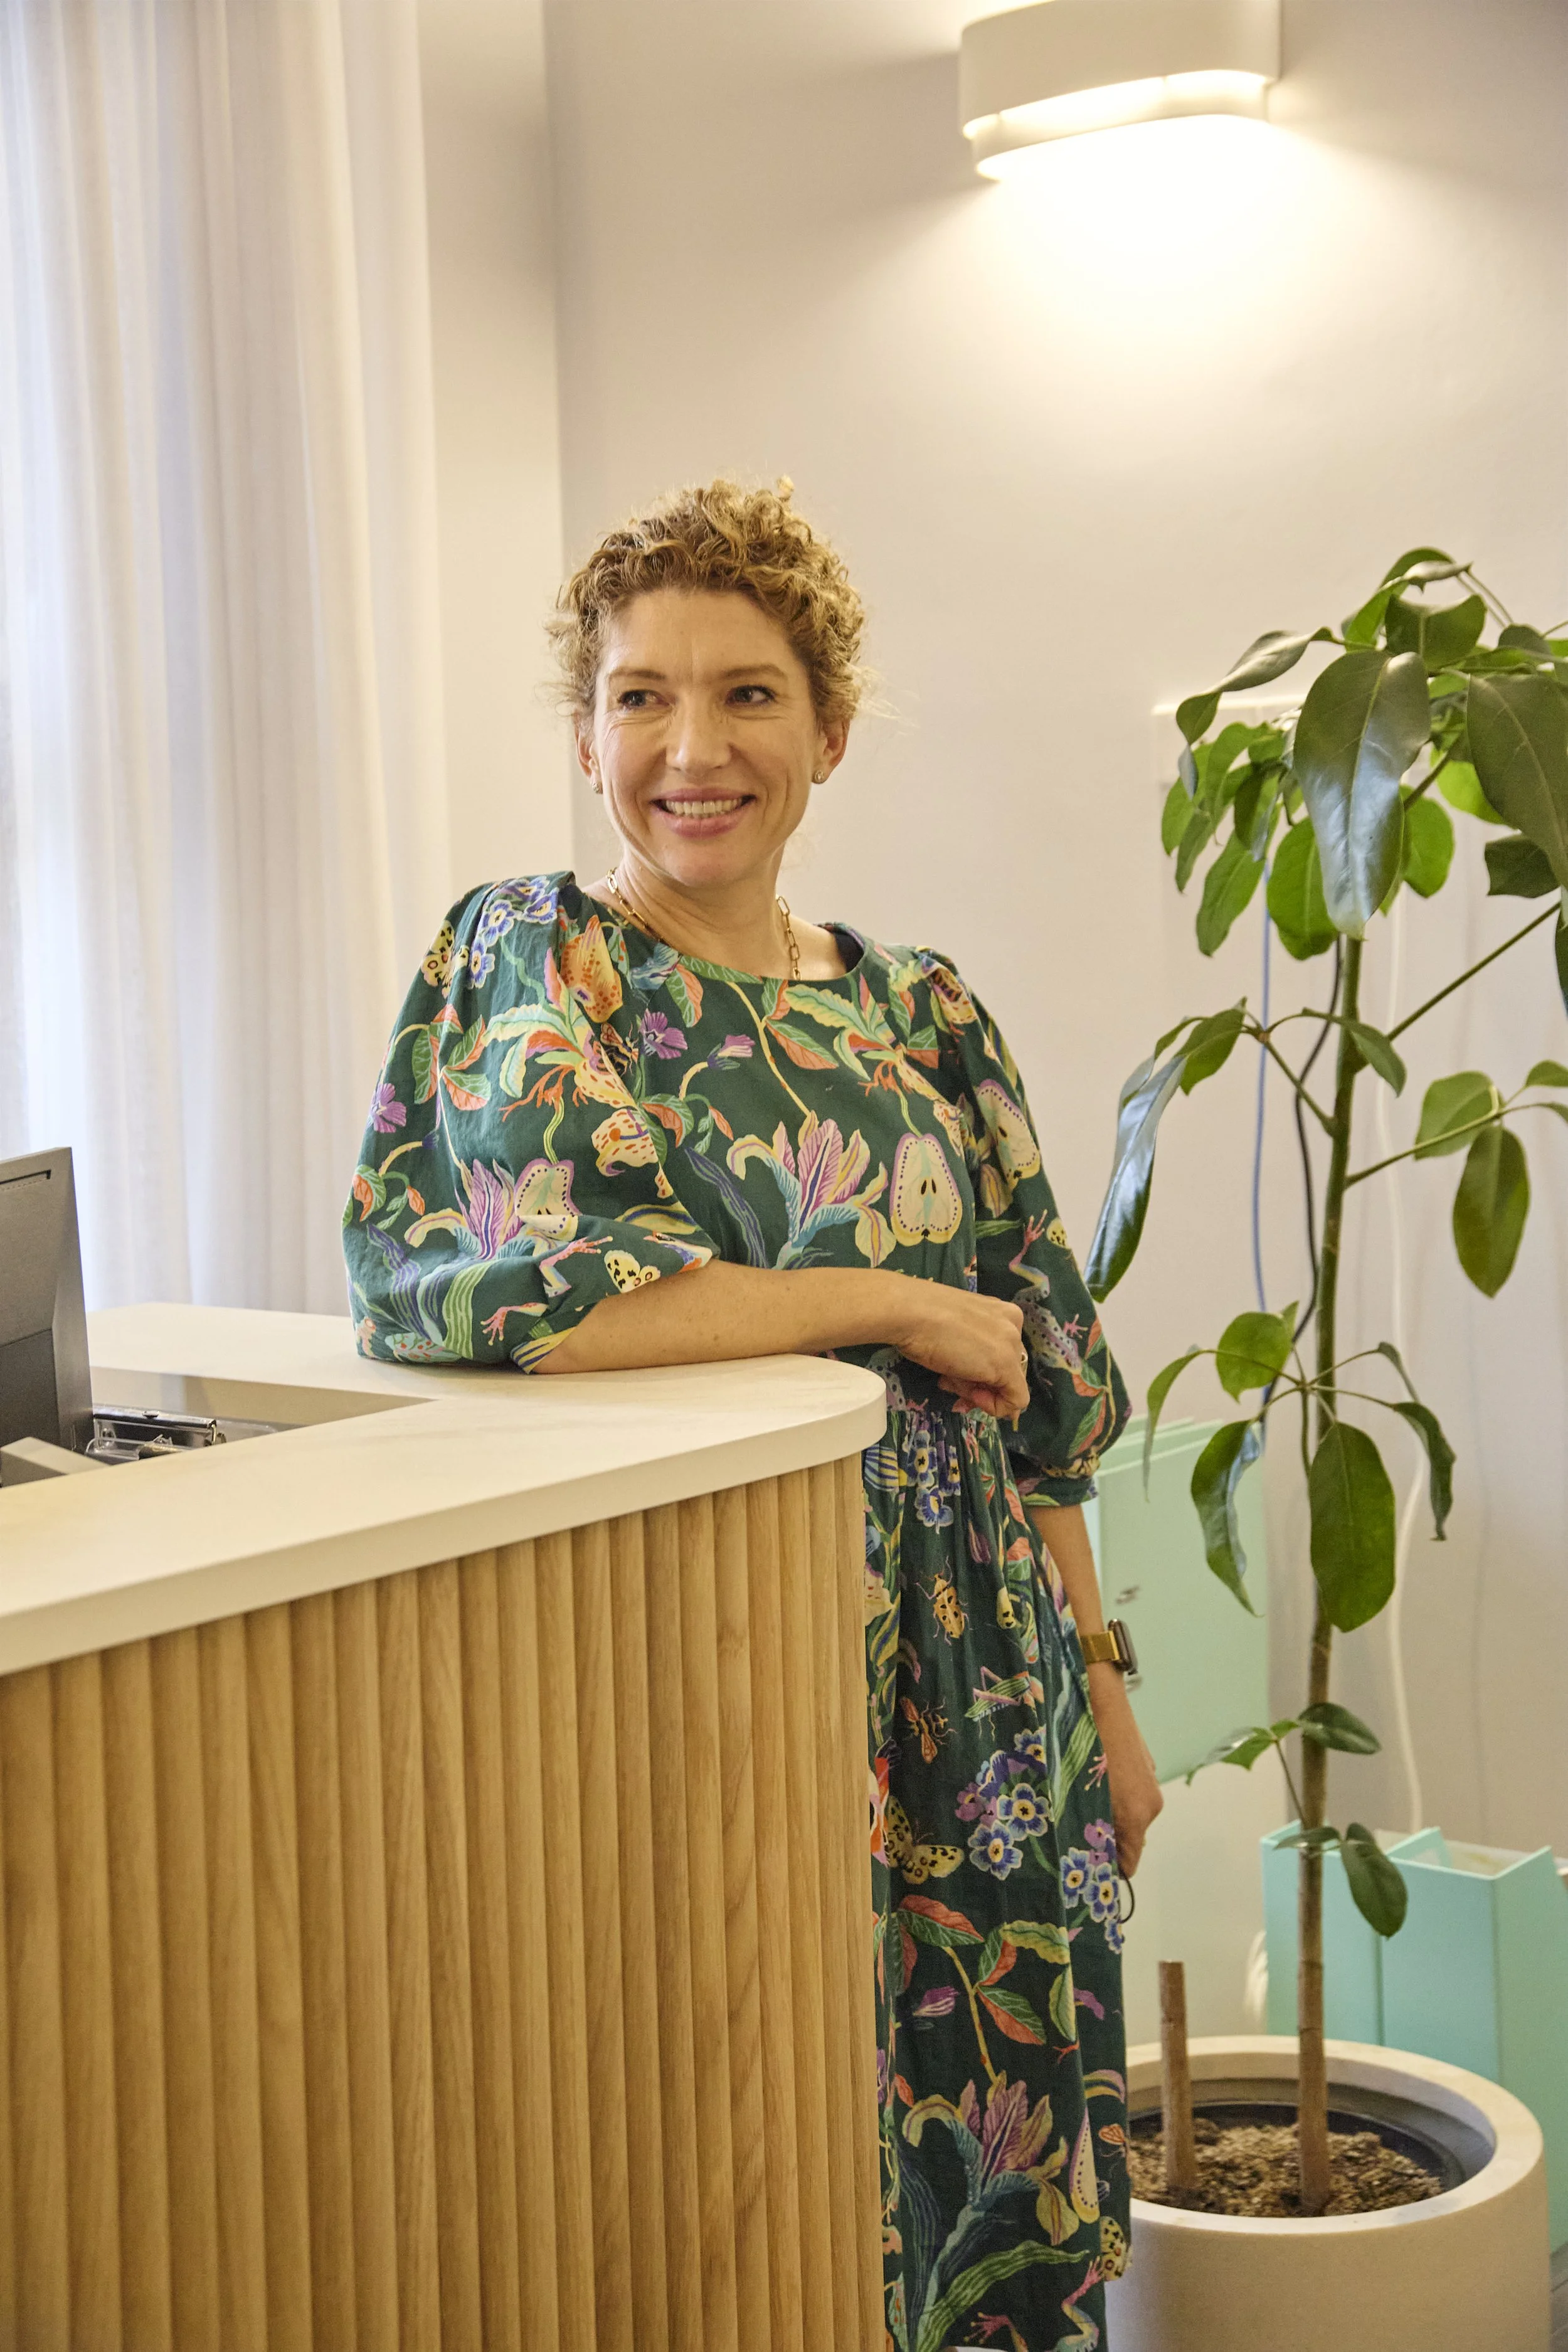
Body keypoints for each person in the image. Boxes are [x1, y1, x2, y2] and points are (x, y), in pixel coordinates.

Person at [344, 479, 1162, 2349]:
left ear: (828, 733)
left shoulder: (923, 1012)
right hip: (701, 1653)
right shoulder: (535, 962)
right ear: (583, 733)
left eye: (746, 695)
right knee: (742, 2157)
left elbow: (1031, 1388)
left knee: (989, 2154)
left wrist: (1106, 1696)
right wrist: (890, 1296)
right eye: (639, 698)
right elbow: (542, 1294)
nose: (688, 748)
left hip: (977, 1682)